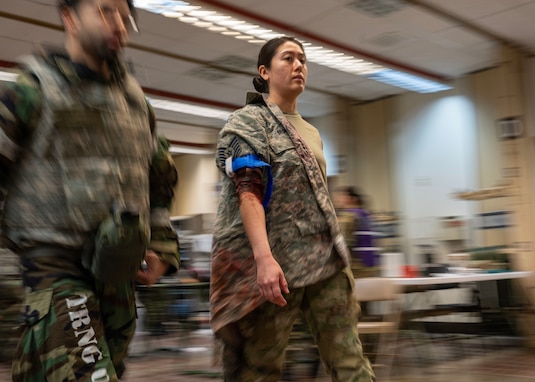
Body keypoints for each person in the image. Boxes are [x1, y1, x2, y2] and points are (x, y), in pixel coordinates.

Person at [0, 0, 180, 380]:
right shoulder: (33, 90)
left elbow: (159, 178)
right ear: (69, 18)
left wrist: (162, 245)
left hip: (117, 269)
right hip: (56, 266)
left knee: (106, 368)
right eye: (104, 10)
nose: (119, 23)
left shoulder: (137, 105)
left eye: (125, 14)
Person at [210, 36, 375, 381]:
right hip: (279, 266)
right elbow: (248, 192)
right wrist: (264, 259)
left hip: (324, 261)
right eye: (288, 58)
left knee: (350, 361)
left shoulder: (312, 132)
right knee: (259, 366)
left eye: (302, 59)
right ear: (264, 72)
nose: (299, 65)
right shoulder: (248, 122)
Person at [335, 187, 380, 275]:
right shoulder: (368, 216)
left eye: (342, 197)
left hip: (357, 269)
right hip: (372, 266)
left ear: (351, 199)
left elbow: (344, 244)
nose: (338, 200)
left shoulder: (349, 216)